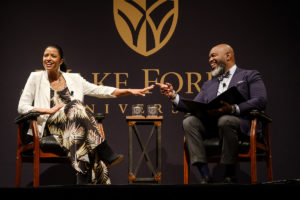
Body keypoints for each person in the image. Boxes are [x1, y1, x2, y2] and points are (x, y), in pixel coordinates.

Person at [18, 44, 155, 184]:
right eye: (45, 55)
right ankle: (103, 149)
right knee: (76, 106)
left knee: (80, 130)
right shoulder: (35, 77)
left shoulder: (75, 79)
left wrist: (129, 91)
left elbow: (100, 91)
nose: (48, 58)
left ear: (60, 61)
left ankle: (82, 178)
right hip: (50, 127)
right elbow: (22, 107)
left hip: (72, 129)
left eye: (53, 56)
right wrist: (48, 110)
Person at [156, 44, 267, 184]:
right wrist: (173, 96)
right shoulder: (208, 84)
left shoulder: (249, 75)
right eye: (209, 57)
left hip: (239, 124)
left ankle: (229, 175)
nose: (210, 59)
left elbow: (261, 100)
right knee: (189, 122)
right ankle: (205, 175)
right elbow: (195, 106)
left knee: (225, 120)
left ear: (228, 56)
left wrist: (233, 108)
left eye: (213, 55)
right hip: (212, 127)